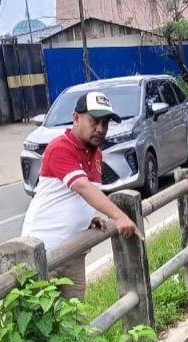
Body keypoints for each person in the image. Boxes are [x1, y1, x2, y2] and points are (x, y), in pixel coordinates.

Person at [21, 91, 143, 298]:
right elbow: (83, 187)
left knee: (74, 323)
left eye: (105, 124)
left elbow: (80, 195)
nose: (100, 129)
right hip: (46, 251)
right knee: (41, 324)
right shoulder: (59, 148)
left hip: (74, 252)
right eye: (94, 121)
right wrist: (119, 216)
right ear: (76, 118)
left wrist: (86, 217)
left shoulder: (96, 153)